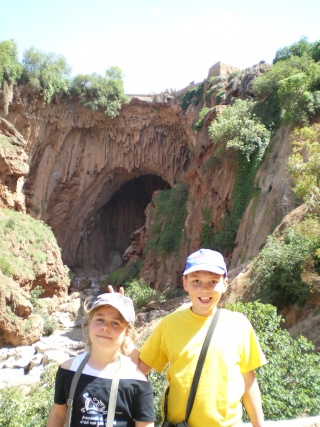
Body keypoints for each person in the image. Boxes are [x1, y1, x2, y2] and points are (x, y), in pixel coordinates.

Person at [115, 249, 267, 427]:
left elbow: (248, 382)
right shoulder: (169, 325)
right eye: (196, 281)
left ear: (225, 284)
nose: (204, 288)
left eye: (213, 281)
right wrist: (121, 323)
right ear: (185, 283)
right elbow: (139, 367)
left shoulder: (239, 324)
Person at [46, 292, 155, 427]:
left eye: (115, 323)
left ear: (127, 332)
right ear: (89, 323)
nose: (105, 327)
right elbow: (58, 414)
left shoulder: (136, 382)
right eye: (99, 319)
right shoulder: (68, 370)